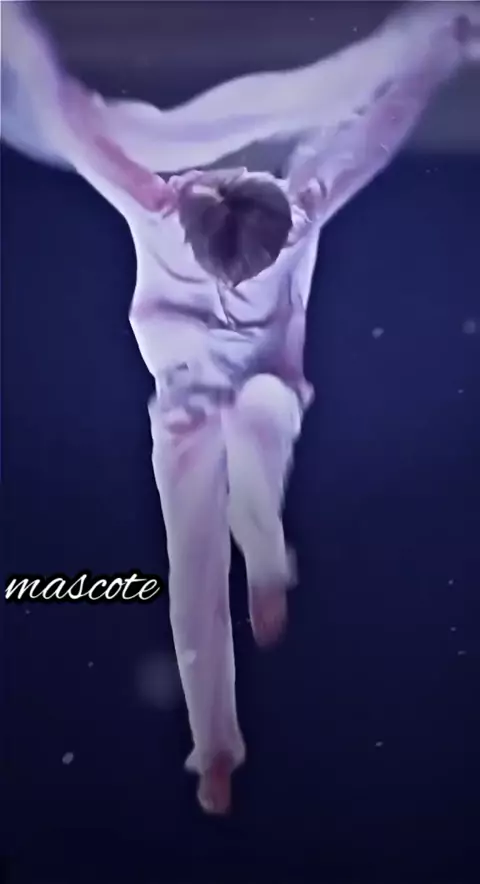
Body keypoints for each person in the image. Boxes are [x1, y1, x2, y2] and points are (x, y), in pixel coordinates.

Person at [3, 1, 479, 815]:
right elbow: (373, 135)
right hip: (225, 396)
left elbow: (75, 130)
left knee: (209, 528)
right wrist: (430, 62)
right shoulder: (295, 216)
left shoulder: (158, 208)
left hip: (208, 398)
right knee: (227, 501)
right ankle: (228, 695)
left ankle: (252, 604)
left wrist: (24, 49)